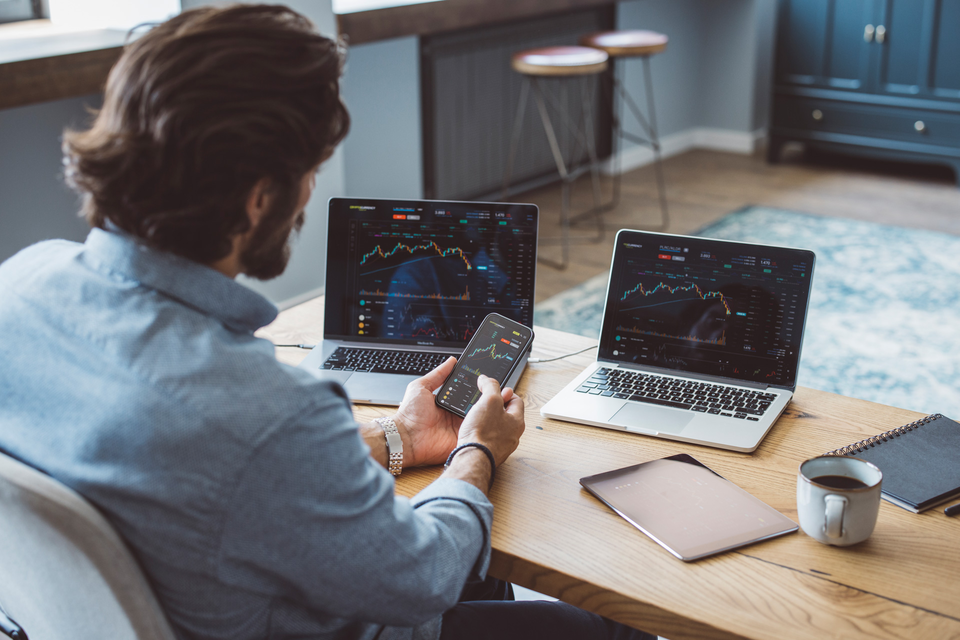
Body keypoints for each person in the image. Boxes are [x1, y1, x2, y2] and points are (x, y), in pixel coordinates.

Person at [0, 5, 654, 640]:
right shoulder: (262, 412)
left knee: (484, 575)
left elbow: (226, 489)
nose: (310, 192)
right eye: (310, 173)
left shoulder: (17, 288)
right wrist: (476, 451)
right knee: (611, 623)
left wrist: (397, 435)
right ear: (260, 198)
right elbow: (424, 577)